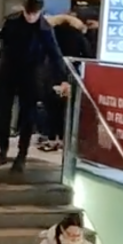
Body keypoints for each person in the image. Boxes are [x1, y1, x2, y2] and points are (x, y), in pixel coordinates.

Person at [0, 0, 71, 172]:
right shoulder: (11, 22)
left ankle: (21, 155)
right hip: (8, 72)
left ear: (40, 12)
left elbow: (55, 53)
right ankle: (2, 150)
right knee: (3, 112)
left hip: (31, 76)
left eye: (34, 14)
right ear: (24, 10)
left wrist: (64, 78)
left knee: (28, 115)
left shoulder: (45, 29)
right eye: (28, 13)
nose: (31, 17)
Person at [38, 13, 92, 152]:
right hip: (70, 73)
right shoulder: (78, 35)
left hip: (50, 73)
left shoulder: (50, 33)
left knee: (50, 107)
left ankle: (51, 138)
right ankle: (64, 139)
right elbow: (88, 55)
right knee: (67, 108)